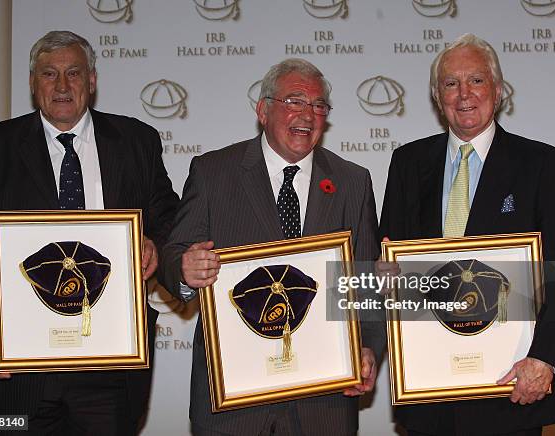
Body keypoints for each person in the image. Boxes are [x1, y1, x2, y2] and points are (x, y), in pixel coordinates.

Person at [0, 30, 180, 434]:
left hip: (112, 363)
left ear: (92, 80)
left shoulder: (137, 141)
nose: (62, 86)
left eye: (74, 73)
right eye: (49, 74)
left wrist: (154, 241)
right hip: (22, 362)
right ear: (32, 83)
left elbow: (169, 220)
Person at [157, 58, 384, 436]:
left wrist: (368, 349)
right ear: (263, 110)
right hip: (233, 404)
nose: (307, 115)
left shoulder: (352, 182)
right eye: (294, 101)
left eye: (318, 106)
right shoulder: (213, 172)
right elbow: (174, 250)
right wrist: (183, 268)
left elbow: (368, 287)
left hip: (322, 404)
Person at [380, 33, 555, 436]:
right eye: (451, 83)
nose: (464, 93)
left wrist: (544, 360)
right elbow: (387, 262)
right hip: (430, 392)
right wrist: (382, 277)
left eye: (476, 80)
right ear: (438, 96)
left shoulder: (540, 163)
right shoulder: (407, 163)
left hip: (514, 387)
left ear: (498, 90)